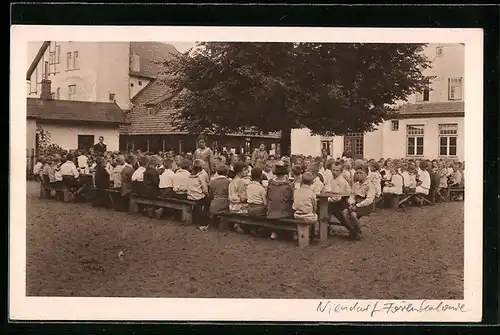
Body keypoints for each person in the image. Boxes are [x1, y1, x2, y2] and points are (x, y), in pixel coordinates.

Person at [346, 165, 376, 240]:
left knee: (352, 214)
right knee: (345, 211)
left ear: (366, 174)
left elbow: (369, 199)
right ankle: (353, 230)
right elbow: (352, 195)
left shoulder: (369, 185)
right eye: (357, 173)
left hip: (366, 205)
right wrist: (351, 203)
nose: (358, 175)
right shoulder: (355, 185)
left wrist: (358, 205)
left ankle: (358, 231)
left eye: (361, 173)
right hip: (356, 203)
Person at [266, 160, 294, 239]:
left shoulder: (270, 183)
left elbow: (267, 196)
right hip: (284, 212)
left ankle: (274, 232)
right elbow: (291, 198)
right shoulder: (288, 185)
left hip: (271, 211)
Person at [187, 159, 210, 230]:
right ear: (202, 166)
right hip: (198, 197)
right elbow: (205, 187)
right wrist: (207, 194)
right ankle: (204, 221)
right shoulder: (202, 175)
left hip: (190, 195)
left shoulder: (190, 174)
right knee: (208, 201)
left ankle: (196, 218)